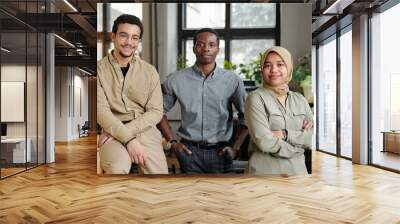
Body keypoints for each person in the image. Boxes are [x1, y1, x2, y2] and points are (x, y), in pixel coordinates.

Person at [157, 28, 248, 174]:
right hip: (189, 153)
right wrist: (173, 143)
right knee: (191, 196)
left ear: (218, 49)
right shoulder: (176, 80)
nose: (206, 48)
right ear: (193, 48)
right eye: (200, 44)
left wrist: (236, 148)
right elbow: (157, 111)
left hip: (222, 152)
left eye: (211, 45)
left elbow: (247, 116)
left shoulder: (233, 81)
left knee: (224, 196)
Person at [97, 14, 168, 174]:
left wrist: (124, 133)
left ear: (139, 41)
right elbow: (101, 111)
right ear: (113, 36)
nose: (129, 42)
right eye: (123, 35)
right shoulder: (99, 70)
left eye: (134, 38)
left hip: (143, 131)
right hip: (112, 130)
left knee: (160, 179)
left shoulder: (150, 72)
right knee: (117, 169)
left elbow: (156, 112)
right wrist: (128, 138)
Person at [244, 46, 313, 175]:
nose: (274, 70)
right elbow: (264, 141)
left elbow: (313, 138)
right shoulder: (255, 98)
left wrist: (285, 134)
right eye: (267, 65)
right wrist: (297, 149)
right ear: (262, 69)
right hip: (264, 176)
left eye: (280, 64)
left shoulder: (300, 99)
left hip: (298, 175)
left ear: (289, 67)